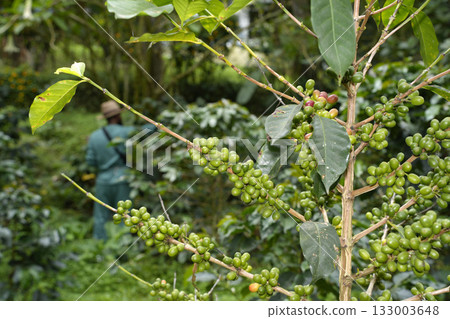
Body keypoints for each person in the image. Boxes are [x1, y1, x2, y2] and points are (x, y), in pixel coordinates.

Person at [86, 100, 155, 240]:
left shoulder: (94, 137)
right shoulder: (127, 132)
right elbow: (148, 130)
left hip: (102, 181)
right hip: (123, 179)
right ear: (118, 116)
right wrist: (156, 125)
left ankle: (100, 248)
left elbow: (90, 162)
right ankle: (122, 247)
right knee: (126, 215)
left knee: (101, 216)